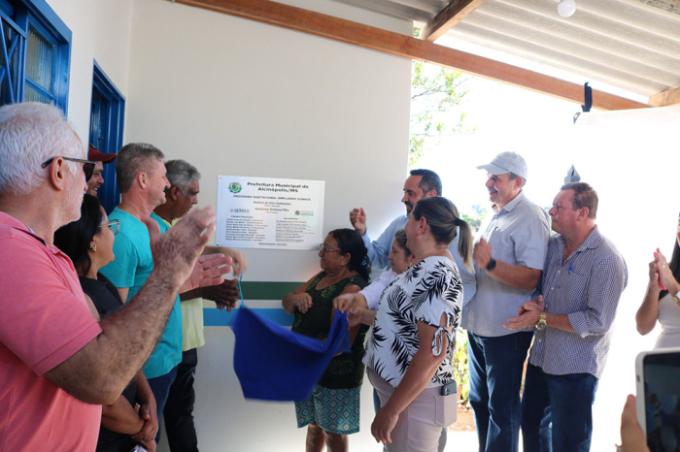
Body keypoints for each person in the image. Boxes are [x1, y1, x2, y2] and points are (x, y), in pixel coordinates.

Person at [0, 103, 227, 451]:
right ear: (59, 171)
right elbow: (100, 376)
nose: (96, 180)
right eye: (87, 167)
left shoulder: (43, 252)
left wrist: (175, 282)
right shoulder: (11, 253)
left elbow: (96, 337)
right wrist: (167, 279)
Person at [99, 143, 228, 444]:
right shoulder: (122, 235)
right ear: (143, 180)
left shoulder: (156, 226)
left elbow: (156, 290)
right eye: (162, 176)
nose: (168, 184)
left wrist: (185, 284)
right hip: (142, 369)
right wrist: (140, 385)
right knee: (138, 442)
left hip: (166, 360)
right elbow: (112, 318)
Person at [504, 182, 628, 452]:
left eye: (559, 207)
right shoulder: (552, 246)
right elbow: (542, 290)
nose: (551, 211)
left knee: (569, 443)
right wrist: (534, 305)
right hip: (541, 359)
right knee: (531, 426)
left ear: (582, 213)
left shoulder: (607, 259)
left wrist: (543, 317)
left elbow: (597, 321)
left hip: (576, 369)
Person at [353, 196, 472, 452]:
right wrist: (362, 316)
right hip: (408, 401)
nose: (406, 226)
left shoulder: (437, 274)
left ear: (421, 225)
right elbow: (406, 323)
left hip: (414, 405)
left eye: (409, 219)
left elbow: (432, 352)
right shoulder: (424, 266)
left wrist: (392, 410)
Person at [153, 159, 246, 452]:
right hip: (158, 345)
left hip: (185, 342)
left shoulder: (177, 227)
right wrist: (209, 292)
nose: (196, 201)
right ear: (174, 192)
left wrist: (222, 252)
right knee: (149, 422)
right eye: (193, 194)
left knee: (180, 417)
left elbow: (193, 255)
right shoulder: (150, 229)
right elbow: (150, 295)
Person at [54, 194, 158, 452]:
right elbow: (104, 402)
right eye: (109, 227)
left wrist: (148, 397)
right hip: (104, 439)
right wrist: (141, 431)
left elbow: (123, 351)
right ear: (92, 241)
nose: (115, 233)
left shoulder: (102, 283)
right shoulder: (80, 298)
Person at [463, 151, 550, 452]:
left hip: (506, 333)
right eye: (488, 177)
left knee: (503, 410)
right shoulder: (494, 213)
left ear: (517, 182)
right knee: (480, 402)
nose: (488, 182)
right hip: (479, 328)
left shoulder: (531, 216)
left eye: (496, 178)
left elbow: (530, 277)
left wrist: (489, 264)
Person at [282, 229, 370, 452]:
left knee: (333, 431)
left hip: (336, 373)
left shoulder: (354, 288)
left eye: (326, 250)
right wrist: (296, 297)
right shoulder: (321, 277)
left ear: (345, 258)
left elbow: (340, 343)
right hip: (308, 368)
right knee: (314, 425)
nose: (320, 254)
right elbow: (286, 303)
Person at [349, 169, 476, 304]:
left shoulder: (450, 236)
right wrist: (362, 232)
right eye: (404, 192)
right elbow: (376, 261)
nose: (404, 199)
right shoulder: (400, 222)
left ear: (431, 195)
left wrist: (446, 311)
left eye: (410, 193)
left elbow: (466, 283)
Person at [333, 228, 414, 313]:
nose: (389, 257)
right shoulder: (391, 274)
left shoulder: (423, 288)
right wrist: (352, 299)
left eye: (395, 251)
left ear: (412, 257)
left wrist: (362, 315)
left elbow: (394, 321)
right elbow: (372, 293)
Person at [636, 213, 680, 348]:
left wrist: (672, 286)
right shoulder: (669, 271)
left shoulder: (670, 279)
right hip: (662, 364)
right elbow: (643, 328)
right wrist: (653, 288)